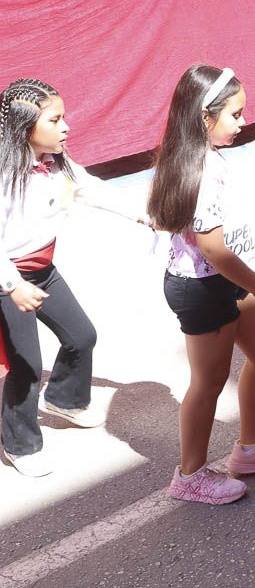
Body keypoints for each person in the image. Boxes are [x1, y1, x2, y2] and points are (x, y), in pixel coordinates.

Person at [148, 66, 255, 505]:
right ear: (203, 118)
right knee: (209, 381)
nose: (242, 122)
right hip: (203, 288)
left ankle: (252, 450)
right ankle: (190, 475)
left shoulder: (190, 156)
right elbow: (214, 251)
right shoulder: (200, 168)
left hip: (223, 282)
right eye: (235, 114)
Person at [0, 79, 146, 477]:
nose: (66, 127)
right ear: (24, 127)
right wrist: (13, 286)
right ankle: (20, 444)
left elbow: (90, 190)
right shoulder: (5, 174)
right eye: (56, 120)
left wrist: (142, 213)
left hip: (42, 271)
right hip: (9, 281)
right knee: (26, 363)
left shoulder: (56, 162)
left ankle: (64, 398)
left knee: (82, 336)